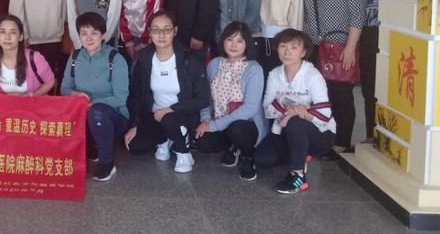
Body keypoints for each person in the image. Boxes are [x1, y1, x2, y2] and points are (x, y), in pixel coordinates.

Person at [124, 11, 210, 174]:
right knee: (136, 146)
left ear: (175, 31)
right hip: (155, 114)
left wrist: (171, 109)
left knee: (170, 120)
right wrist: (135, 125)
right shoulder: (144, 59)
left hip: (182, 115)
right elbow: (136, 96)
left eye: (167, 29)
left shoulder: (189, 60)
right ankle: (166, 139)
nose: (161, 35)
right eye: (156, 30)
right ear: (150, 33)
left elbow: (203, 98)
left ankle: (184, 152)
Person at [303, 0, 365, 156]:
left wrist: (350, 48)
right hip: (315, 47)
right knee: (321, 94)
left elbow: (357, 17)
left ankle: (341, 142)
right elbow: (306, 18)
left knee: (342, 96)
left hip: (341, 46)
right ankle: (324, 138)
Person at [256, 29, 336, 194]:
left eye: (293, 47)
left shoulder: (312, 75)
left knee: (296, 123)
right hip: (284, 130)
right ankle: (299, 155)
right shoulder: (274, 74)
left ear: (303, 52)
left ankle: (298, 175)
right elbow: (267, 108)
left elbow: (324, 113)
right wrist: (291, 109)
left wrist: (300, 113)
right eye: (283, 46)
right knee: (261, 160)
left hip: (320, 134)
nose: (287, 52)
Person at [60, 12, 129, 182]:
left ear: (103, 34)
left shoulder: (115, 59)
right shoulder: (75, 57)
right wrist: (74, 94)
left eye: (94, 33)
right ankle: (91, 147)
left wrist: (93, 103)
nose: (89, 38)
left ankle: (107, 163)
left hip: (113, 116)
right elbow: (64, 88)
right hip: (84, 113)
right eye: (84, 33)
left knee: (97, 112)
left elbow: (121, 98)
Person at [195, 22, 267, 181]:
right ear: (223, 41)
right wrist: (206, 120)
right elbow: (206, 97)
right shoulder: (214, 64)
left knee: (237, 129)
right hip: (219, 121)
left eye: (240, 41)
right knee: (203, 142)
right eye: (230, 39)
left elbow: (250, 108)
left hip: (245, 125)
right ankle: (233, 147)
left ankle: (248, 157)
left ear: (247, 44)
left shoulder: (254, 69)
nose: (234, 45)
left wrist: (215, 125)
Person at [352, 0, 380, 143]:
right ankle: (371, 135)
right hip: (359, 32)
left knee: (382, 85)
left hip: (381, 32)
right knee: (367, 85)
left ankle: (381, 134)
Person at [0, 15, 55, 96]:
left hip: (33, 102)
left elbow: (50, 82)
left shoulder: (35, 58)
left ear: (21, 37)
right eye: (3, 32)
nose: (7, 37)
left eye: (13, 32)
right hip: (8, 104)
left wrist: (35, 95)